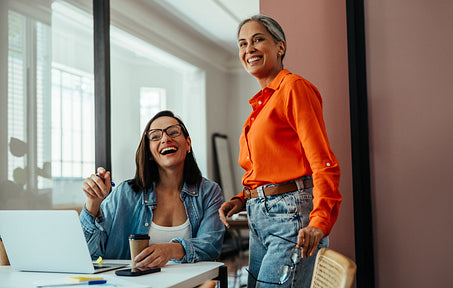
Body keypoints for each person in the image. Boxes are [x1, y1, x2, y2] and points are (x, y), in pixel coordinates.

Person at [218, 15, 342, 287]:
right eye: (242, 43)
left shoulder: (294, 88)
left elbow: (323, 162)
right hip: (259, 218)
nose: (248, 49)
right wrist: (242, 199)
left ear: (280, 47)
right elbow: (268, 169)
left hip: (290, 218)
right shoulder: (262, 105)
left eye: (257, 40)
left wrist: (319, 221)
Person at [80, 110, 225, 268]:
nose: (165, 139)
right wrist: (93, 203)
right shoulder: (125, 193)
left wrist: (171, 250)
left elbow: (210, 245)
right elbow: (89, 253)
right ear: (149, 152)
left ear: (188, 143)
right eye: (155, 136)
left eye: (173, 132)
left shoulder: (209, 192)